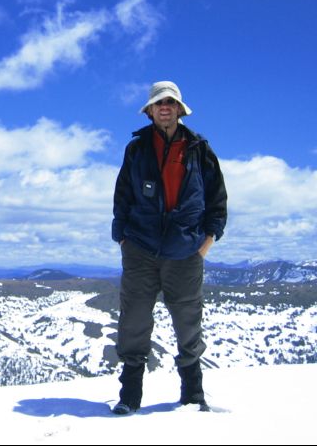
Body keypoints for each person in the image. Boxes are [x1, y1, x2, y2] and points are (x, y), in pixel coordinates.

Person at [110, 81, 227, 415]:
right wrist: (123, 238)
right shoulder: (136, 149)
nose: (164, 108)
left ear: (179, 109)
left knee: (188, 323)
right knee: (133, 321)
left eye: (170, 103)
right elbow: (123, 196)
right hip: (140, 249)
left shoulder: (199, 149)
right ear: (150, 111)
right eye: (158, 103)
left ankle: (193, 394)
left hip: (186, 252)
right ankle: (129, 396)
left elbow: (217, 200)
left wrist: (205, 243)